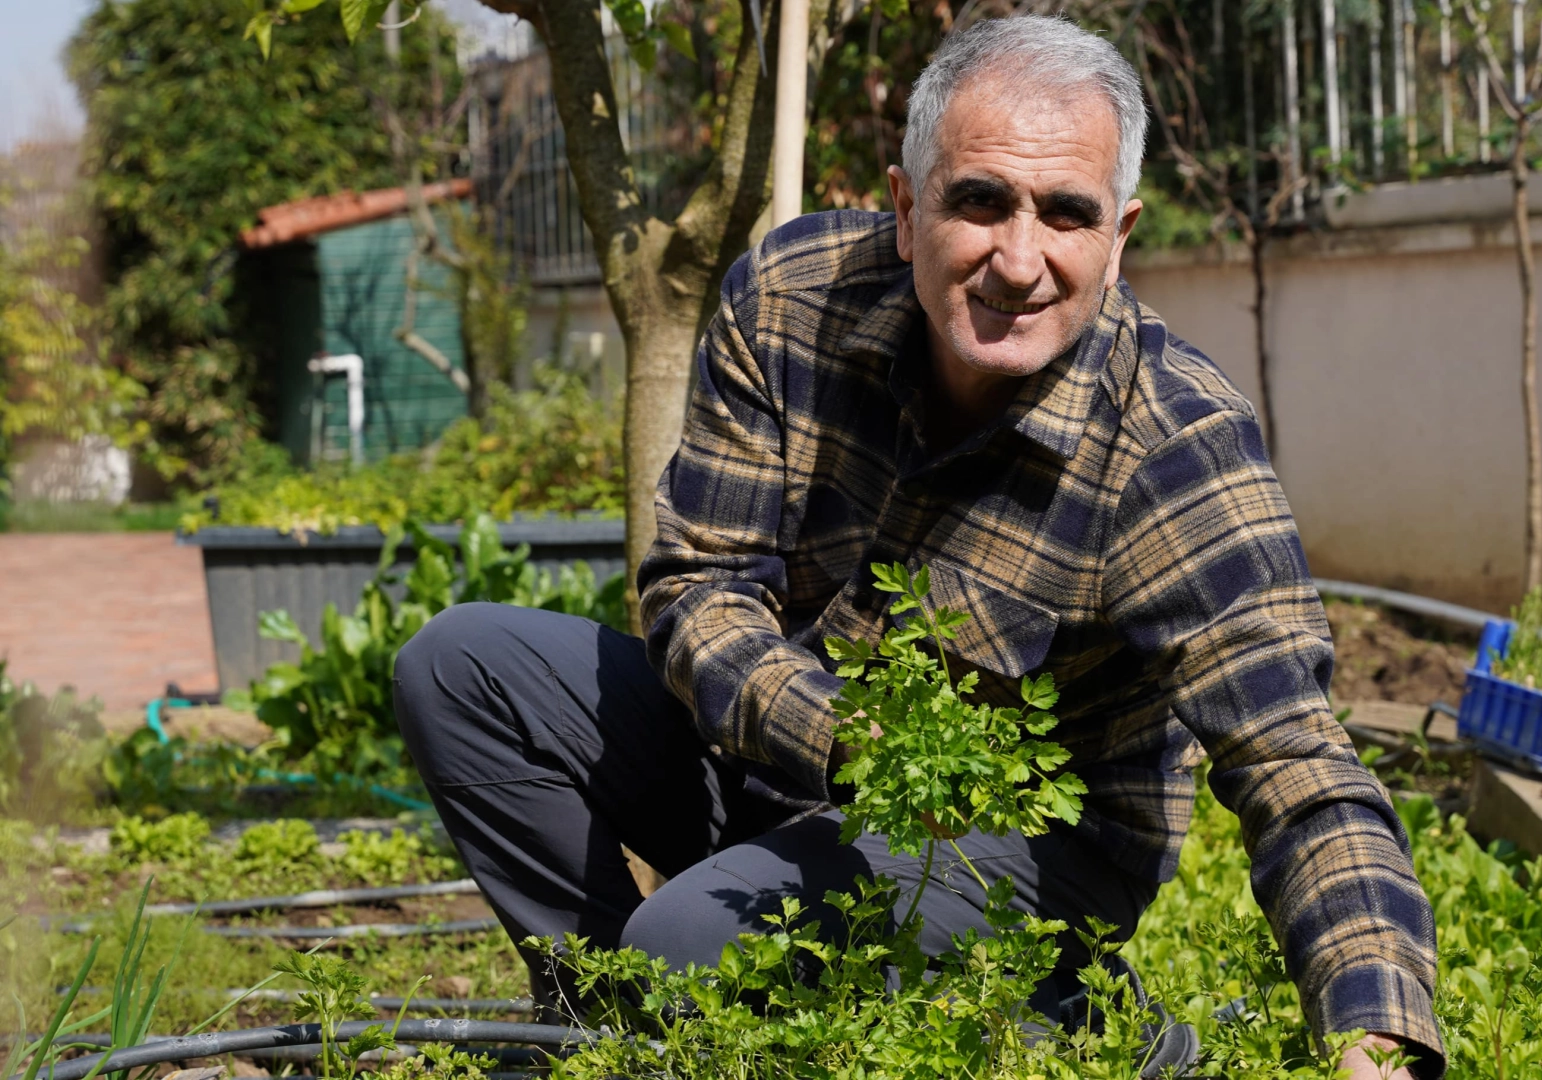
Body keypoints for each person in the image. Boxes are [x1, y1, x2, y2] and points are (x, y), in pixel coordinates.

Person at [394, 15, 1442, 1079]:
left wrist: (1375, 1027)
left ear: (1118, 239)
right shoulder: (796, 299)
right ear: (907, 208)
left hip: (1023, 851)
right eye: (980, 201)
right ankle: (600, 1032)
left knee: (686, 939)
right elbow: (696, 584)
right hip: (781, 764)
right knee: (464, 668)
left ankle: (1080, 1011)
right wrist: (849, 740)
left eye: (1066, 215)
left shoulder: (1171, 446)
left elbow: (1295, 758)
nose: (1018, 261)